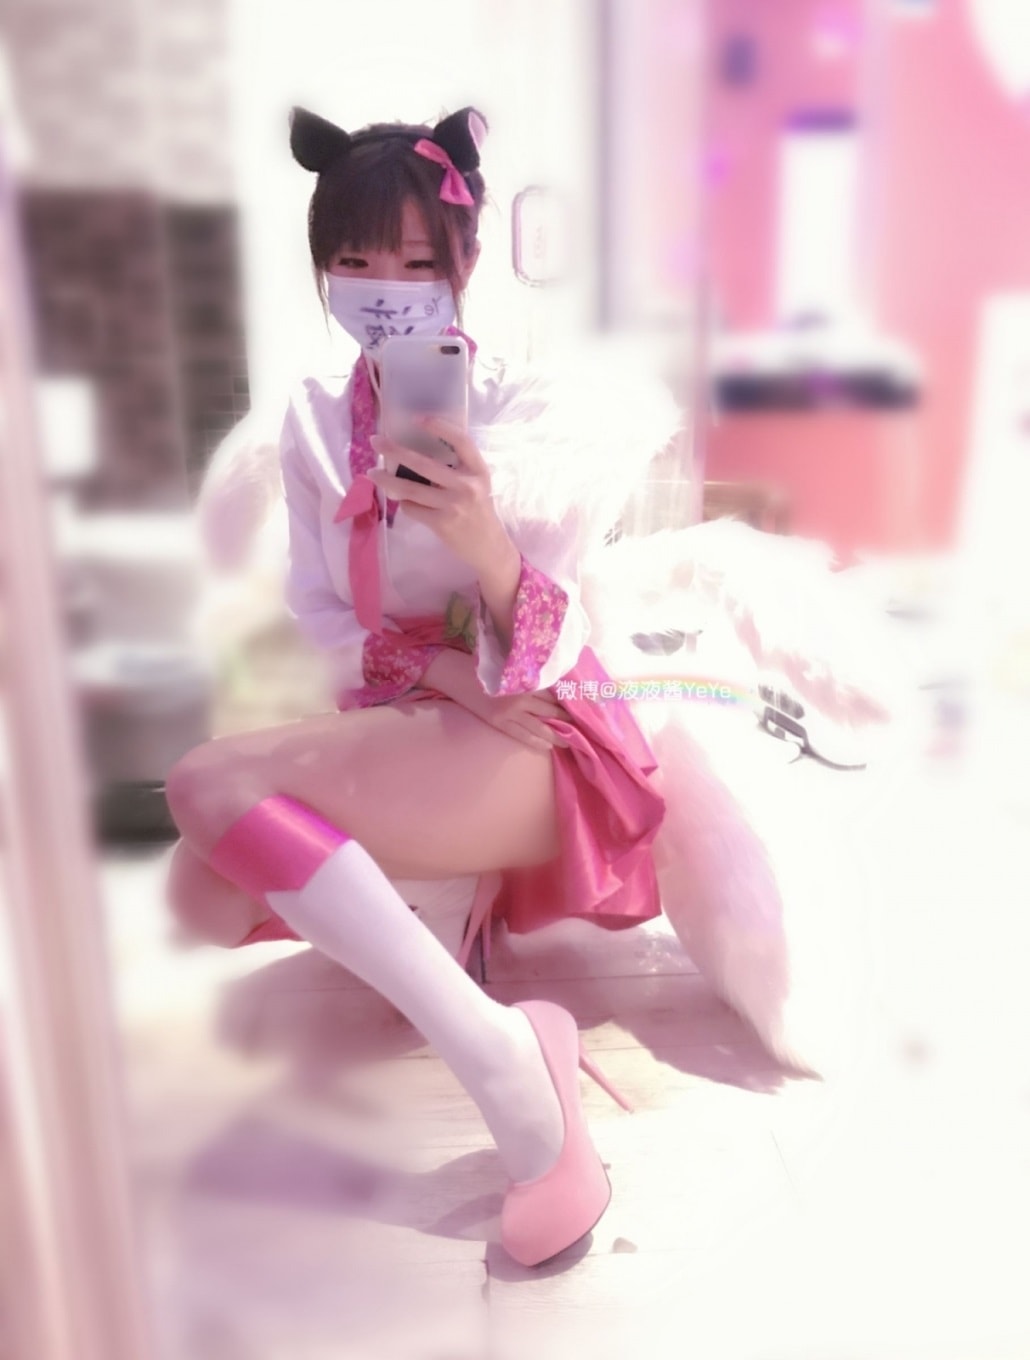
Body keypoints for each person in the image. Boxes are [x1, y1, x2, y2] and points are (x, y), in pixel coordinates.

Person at [164, 104, 672, 1269]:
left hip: (541, 727)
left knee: (206, 789)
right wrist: (443, 672)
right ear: (323, 271)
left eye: (413, 261)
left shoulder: (536, 416)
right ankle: (509, 1033)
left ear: (466, 265)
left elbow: (555, 633)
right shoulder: (307, 421)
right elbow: (320, 617)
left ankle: (515, 1085)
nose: (384, 288)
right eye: (355, 261)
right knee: (202, 884)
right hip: (424, 714)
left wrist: (482, 537)